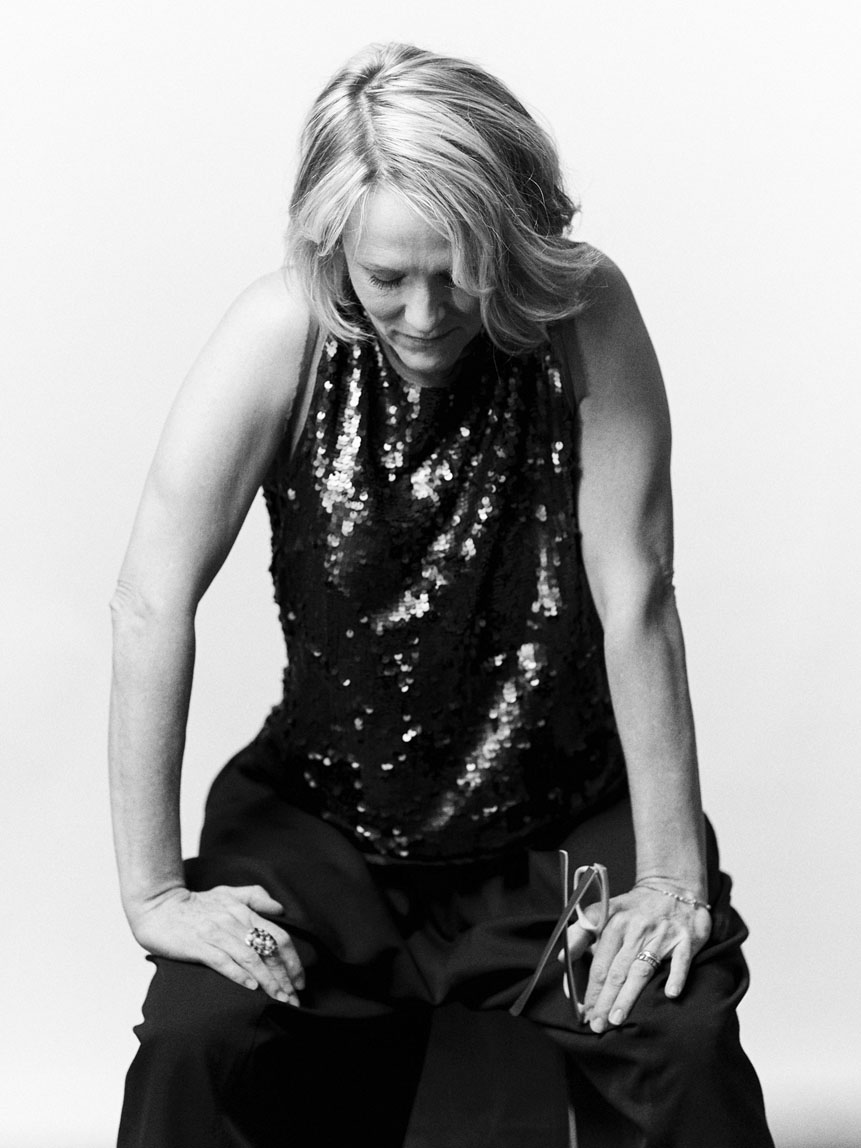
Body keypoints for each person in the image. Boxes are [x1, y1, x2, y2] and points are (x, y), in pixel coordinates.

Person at [110, 42, 774, 1148]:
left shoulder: (582, 311)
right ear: (334, 249)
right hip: (327, 830)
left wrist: (669, 875)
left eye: (459, 271)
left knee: (682, 1034)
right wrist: (152, 892)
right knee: (196, 1034)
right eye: (388, 278)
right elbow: (148, 599)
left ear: (510, 239)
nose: (423, 314)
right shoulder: (282, 332)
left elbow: (638, 593)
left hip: (560, 828)